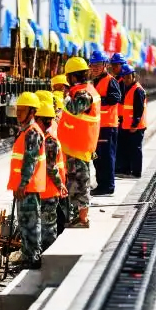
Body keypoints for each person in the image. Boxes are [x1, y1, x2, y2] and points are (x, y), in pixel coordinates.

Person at [58, 57, 102, 228]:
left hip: (79, 145)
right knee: (75, 183)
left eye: (68, 76)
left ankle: (83, 219)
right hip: (76, 144)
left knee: (81, 183)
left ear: (74, 77)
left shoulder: (85, 92)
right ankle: (79, 216)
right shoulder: (83, 89)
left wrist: (66, 96)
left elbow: (75, 108)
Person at [7, 92, 46, 270]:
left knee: (31, 224)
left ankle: (33, 259)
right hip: (23, 187)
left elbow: (30, 160)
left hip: (28, 188)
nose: (18, 114)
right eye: (18, 110)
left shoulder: (32, 133)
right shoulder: (25, 132)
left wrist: (23, 184)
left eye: (22, 111)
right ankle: (27, 256)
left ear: (32, 112)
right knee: (24, 224)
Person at [35, 93, 68, 250]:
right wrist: (60, 184)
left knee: (46, 226)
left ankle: (44, 254)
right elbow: (51, 167)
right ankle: (46, 253)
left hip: (45, 189)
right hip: (48, 190)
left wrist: (60, 184)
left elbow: (50, 166)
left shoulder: (44, 138)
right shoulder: (48, 138)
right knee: (48, 226)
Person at [89, 50, 122, 196]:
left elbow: (116, 97)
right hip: (98, 126)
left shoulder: (110, 81)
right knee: (97, 158)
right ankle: (101, 184)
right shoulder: (94, 82)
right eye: (92, 65)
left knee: (106, 158)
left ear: (104, 65)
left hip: (107, 127)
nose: (94, 68)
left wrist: (97, 100)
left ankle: (108, 186)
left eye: (97, 65)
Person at [117, 64, 147, 179]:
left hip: (136, 127)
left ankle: (136, 172)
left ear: (133, 76)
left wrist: (135, 124)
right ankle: (127, 171)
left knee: (135, 150)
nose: (126, 80)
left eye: (128, 77)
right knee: (128, 149)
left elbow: (139, 110)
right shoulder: (128, 88)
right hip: (128, 125)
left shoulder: (137, 90)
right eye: (124, 77)